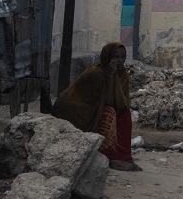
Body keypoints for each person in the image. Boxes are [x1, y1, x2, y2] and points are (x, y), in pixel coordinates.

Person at [52, 42, 141, 171]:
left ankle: (123, 156)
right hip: (77, 111)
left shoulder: (122, 74)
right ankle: (108, 156)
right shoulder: (97, 72)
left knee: (125, 114)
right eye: (116, 57)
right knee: (108, 113)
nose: (120, 61)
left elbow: (122, 102)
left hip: (97, 108)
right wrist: (110, 76)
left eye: (122, 57)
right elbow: (108, 102)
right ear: (107, 57)